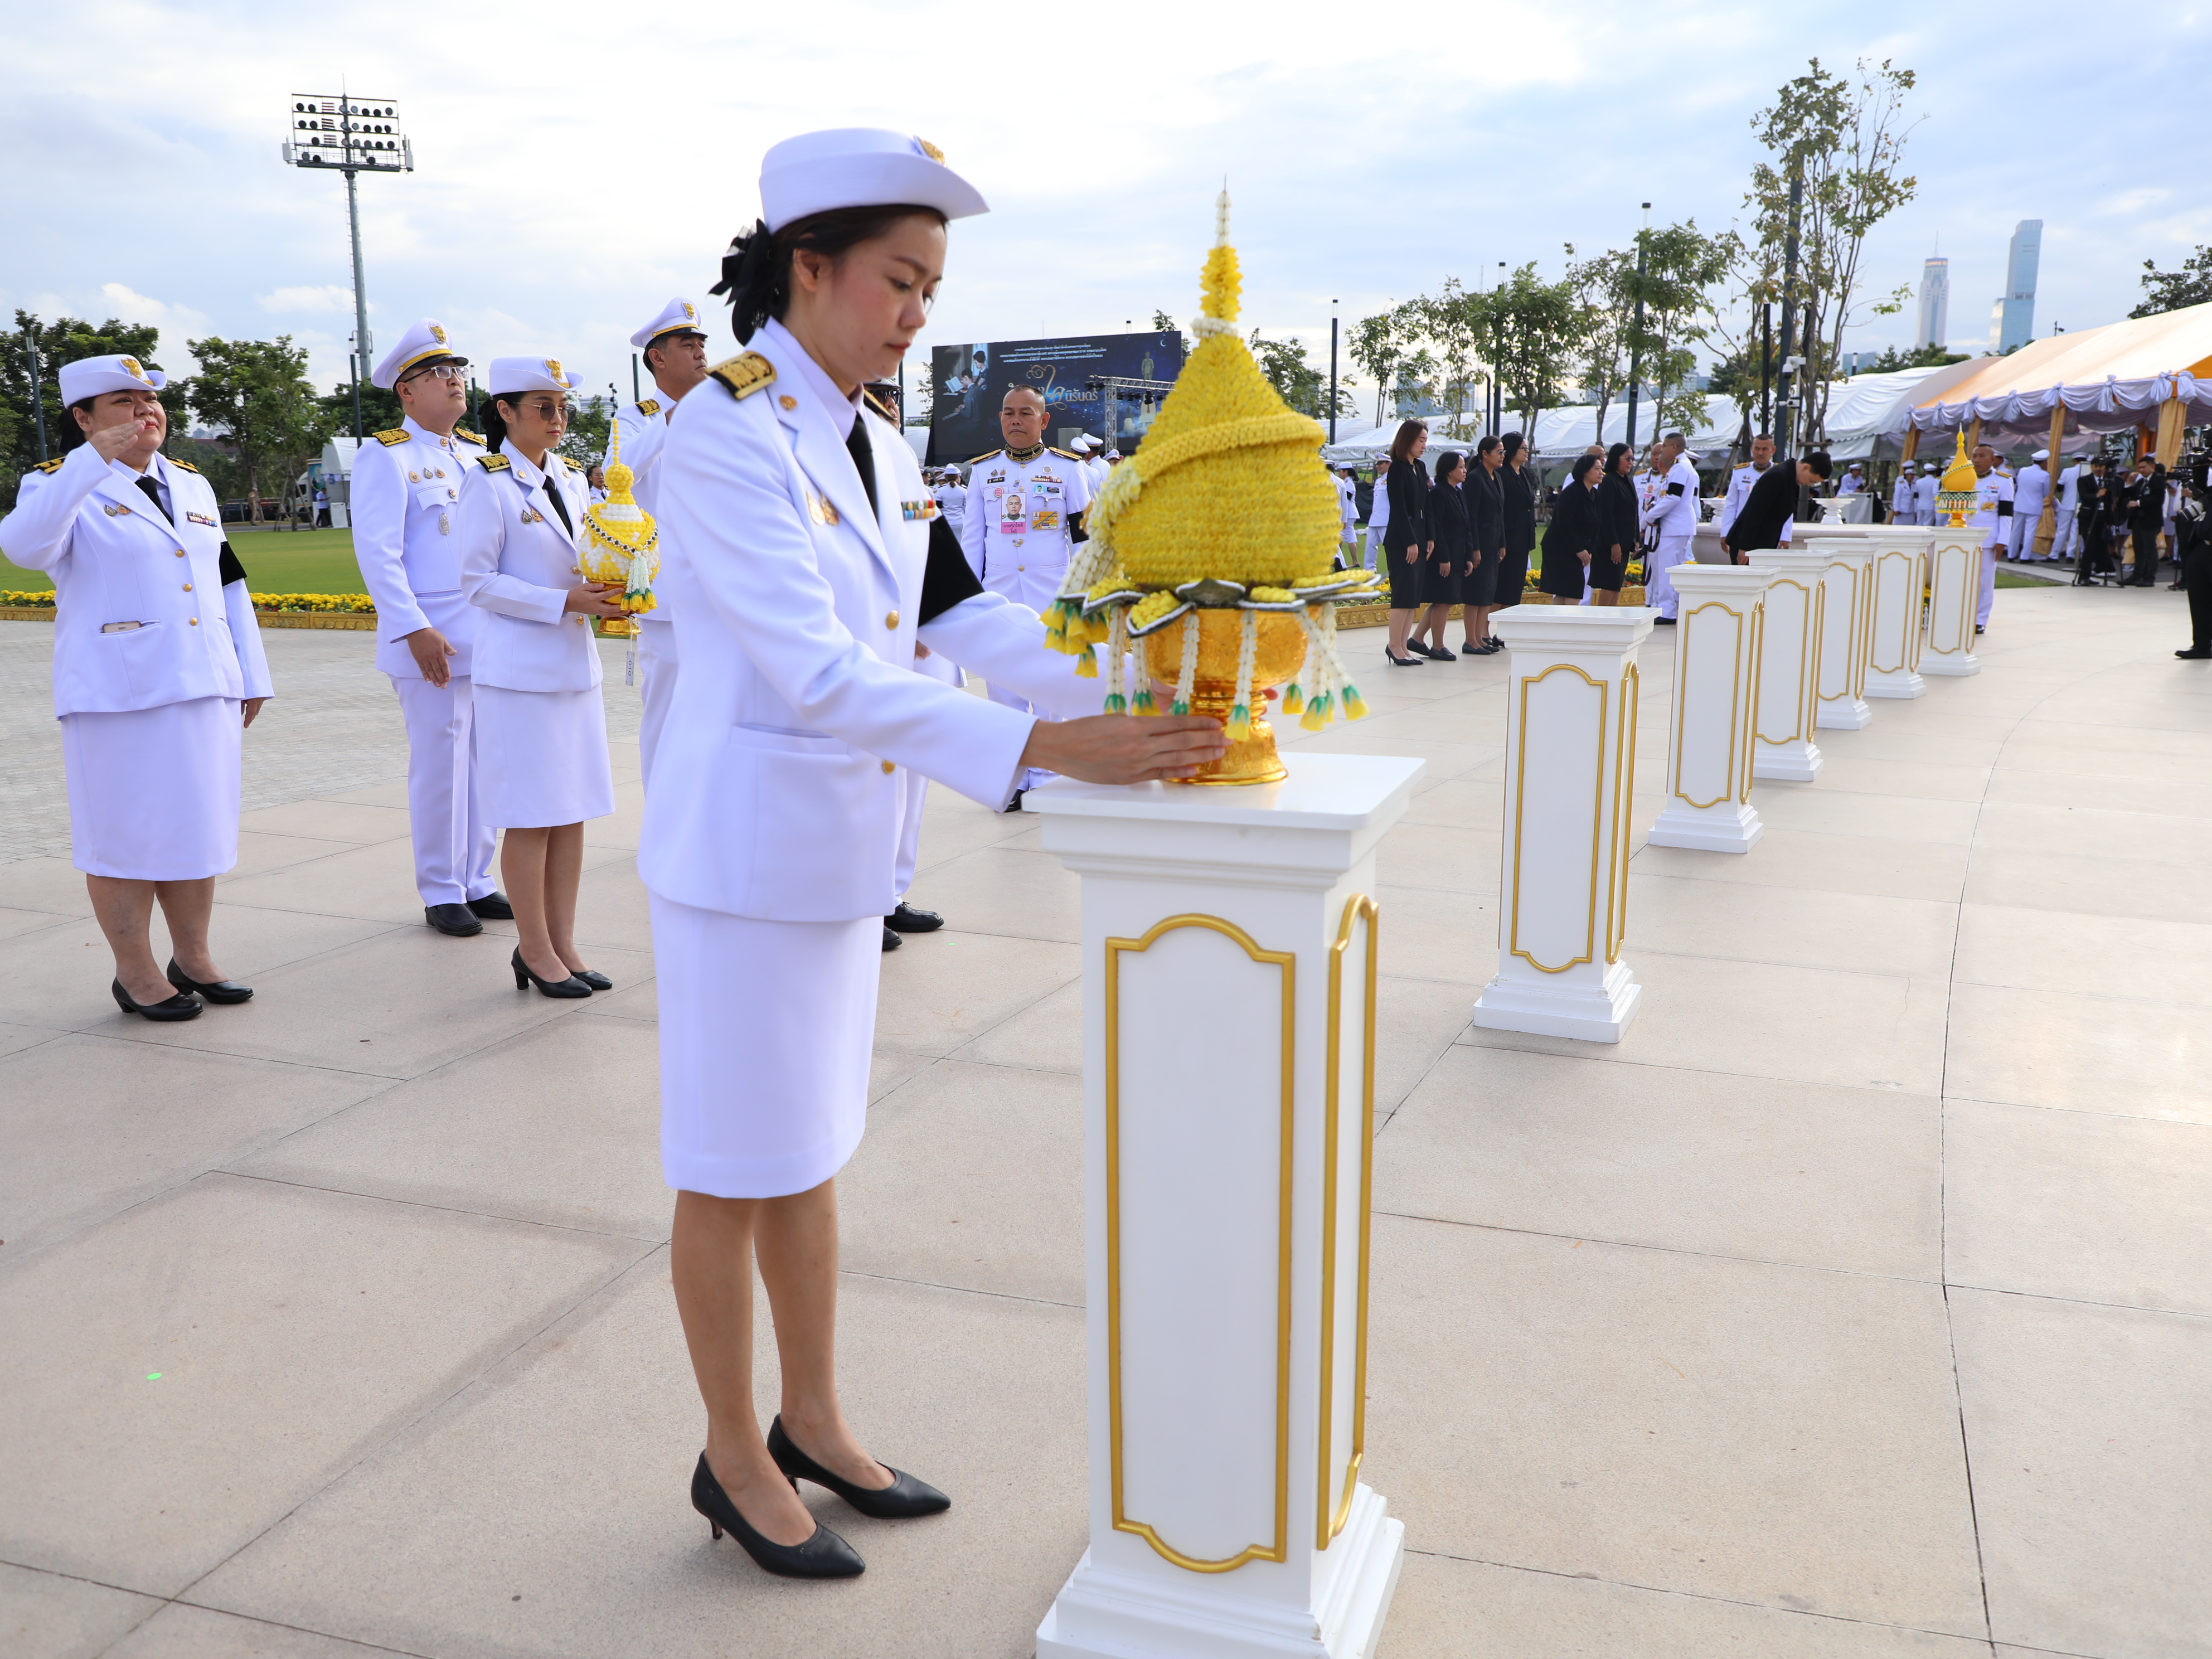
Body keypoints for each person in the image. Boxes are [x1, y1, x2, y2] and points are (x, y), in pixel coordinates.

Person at [639, 129, 1227, 1582]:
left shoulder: (882, 440)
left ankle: (816, 1418)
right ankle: (728, 1454)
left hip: (839, 855)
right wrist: (1034, 757)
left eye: (932, 289)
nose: (915, 313)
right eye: (898, 281)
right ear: (809, 267)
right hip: (738, 862)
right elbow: (813, 671)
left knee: (810, 1148)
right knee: (729, 1165)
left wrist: (1138, 698)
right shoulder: (722, 430)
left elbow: (964, 623)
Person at [0, 353, 274, 1018]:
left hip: (203, 682)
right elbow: (25, 548)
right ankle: (137, 971)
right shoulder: (57, 486)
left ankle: (194, 956)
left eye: (150, 399)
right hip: (117, 693)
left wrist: (250, 670)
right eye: (123, 402)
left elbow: (226, 582)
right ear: (83, 418)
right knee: (124, 836)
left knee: (199, 828)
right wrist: (90, 463)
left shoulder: (192, 485)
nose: (145, 411)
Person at [457, 357, 621, 998]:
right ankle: (533, 948)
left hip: (573, 668)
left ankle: (564, 941)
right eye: (543, 408)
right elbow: (477, 582)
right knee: (530, 817)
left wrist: (606, 590)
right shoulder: (488, 482)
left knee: (571, 812)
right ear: (504, 411)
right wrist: (564, 603)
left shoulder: (575, 479)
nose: (558, 420)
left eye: (562, 408)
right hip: (520, 674)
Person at [353, 319, 508, 937]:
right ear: (406, 392)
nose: (453, 381)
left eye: (456, 371)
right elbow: (379, 553)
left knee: (484, 761)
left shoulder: (476, 454)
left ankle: (478, 878)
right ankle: (442, 887)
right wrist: (412, 628)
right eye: (437, 374)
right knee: (442, 762)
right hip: (431, 642)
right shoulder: (386, 456)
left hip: (488, 636)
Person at [958, 384, 1092, 792]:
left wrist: (1083, 597)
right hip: (999, 594)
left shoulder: (1068, 469)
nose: (1015, 420)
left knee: (1052, 682)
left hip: (1051, 593)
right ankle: (1014, 778)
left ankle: (1049, 777)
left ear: (1044, 420)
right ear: (1000, 418)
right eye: (1008, 412)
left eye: (1025, 413)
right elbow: (973, 539)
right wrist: (968, 597)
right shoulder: (982, 471)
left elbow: (1084, 540)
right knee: (1004, 685)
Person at [604, 299, 712, 791]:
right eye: (686, 345)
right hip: (667, 594)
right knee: (668, 711)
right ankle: (664, 829)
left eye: (701, 344)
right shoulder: (633, 420)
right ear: (658, 358)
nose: (699, 352)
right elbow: (619, 478)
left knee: (721, 709)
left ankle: (710, 824)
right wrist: (675, 418)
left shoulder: (724, 413)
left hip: (722, 589)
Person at [1380, 419, 1432, 664]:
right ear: (1408, 440)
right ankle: (1394, 645)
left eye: (1425, 441)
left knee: (1414, 595)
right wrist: (1411, 541)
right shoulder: (1398, 468)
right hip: (1402, 540)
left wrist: (1429, 538)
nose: (1424, 446)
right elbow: (1399, 509)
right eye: (1420, 440)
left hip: (1420, 537)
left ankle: (1403, 645)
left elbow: (1426, 505)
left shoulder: (1419, 467)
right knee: (1403, 593)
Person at [1638, 430, 1700, 622]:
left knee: (1667, 570)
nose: (1662, 450)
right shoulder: (1677, 467)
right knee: (1663, 568)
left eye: (1665, 446)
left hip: (1675, 527)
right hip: (1672, 527)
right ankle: (1663, 607)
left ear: (1674, 447)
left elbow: (1673, 497)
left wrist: (1650, 517)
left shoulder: (1681, 468)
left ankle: (1667, 611)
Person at [1414, 450, 1468, 657]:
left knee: (1444, 600)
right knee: (1443, 600)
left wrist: (1469, 557)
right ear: (1448, 471)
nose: (1464, 471)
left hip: (1458, 553)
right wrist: (1444, 558)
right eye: (1461, 467)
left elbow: (1466, 526)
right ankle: (1438, 645)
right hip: (1444, 556)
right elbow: (1437, 528)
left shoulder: (1458, 492)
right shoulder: (1439, 493)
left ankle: (1417, 639)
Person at [1459, 434, 1504, 652]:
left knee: (1487, 592)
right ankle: (1471, 639)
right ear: (1485, 454)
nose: (1502, 456)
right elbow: (1471, 517)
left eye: (1504, 452)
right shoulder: (1476, 478)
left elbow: (1500, 514)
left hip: (1493, 544)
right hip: (1480, 544)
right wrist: (1474, 548)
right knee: (1476, 593)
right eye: (1499, 452)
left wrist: (1502, 543)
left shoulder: (1496, 477)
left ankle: (1480, 636)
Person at [1539, 453, 1603, 603]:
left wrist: (1590, 549)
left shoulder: (1595, 494)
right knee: (1571, 590)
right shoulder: (1572, 492)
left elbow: (1597, 524)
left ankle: (1559, 626)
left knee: (1565, 592)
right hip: (1560, 549)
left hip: (1576, 549)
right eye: (1597, 469)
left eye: (1602, 468)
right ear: (1585, 472)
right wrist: (1579, 550)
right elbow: (1564, 523)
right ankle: (1565, 625)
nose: (1601, 472)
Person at [1965, 443, 2014, 631]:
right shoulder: (1964, 477)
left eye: (1982, 456)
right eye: (1974, 456)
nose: (1976, 460)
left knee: (1984, 581)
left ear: (1993, 460)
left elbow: (2006, 514)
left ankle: (1980, 620)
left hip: (1988, 539)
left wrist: (2003, 540)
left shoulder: (2003, 481)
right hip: (1963, 536)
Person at [1494, 431, 1535, 620]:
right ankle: (1485, 631)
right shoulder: (1502, 474)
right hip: (1509, 538)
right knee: (1502, 588)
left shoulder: (1525, 473)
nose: (1527, 452)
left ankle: (1503, 632)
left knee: (1514, 589)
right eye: (1523, 448)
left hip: (1523, 538)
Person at [1590, 441, 1637, 607]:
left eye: (1632, 458)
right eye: (1627, 458)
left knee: (1617, 585)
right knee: (1609, 585)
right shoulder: (1609, 481)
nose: (1631, 462)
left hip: (1625, 542)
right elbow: (1606, 514)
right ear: (1616, 459)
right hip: (1610, 544)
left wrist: (1636, 539)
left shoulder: (1628, 481)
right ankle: (1601, 619)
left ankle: (1612, 617)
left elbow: (1634, 511)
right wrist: (1614, 543)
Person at [1720, 433, 1777, 555]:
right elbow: (1731, 504)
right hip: (1741, 529)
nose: (1760, 453)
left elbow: (1785, 508)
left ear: (1773, 450)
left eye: (1765, 449)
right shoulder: (1740, 472)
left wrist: (1785, 537)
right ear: (1752, 449)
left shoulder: (1779, 473)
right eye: (1757, 449)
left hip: (1768, 531)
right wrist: (1726, 532)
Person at [2176, 483, 2211, 657]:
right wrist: (2200, 466)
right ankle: (2201, 645)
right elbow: (2200, 484)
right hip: (2202, 547)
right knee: (2198, 597)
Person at [2122, 454, 2168, 586]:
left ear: (2152, 466)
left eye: (2144, 467)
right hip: (2138, 519)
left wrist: (2139, 503)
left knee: (2150, 549)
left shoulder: (2159, 480)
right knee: (2138, 549)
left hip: (2151, 520)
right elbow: (2127, 494)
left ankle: (2150, 577)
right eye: (2140, 468)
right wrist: (2129, 483)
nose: (2141, 470)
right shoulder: (2141, 482)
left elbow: (2158, 499)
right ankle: (2137, 575)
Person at [2011, 449, 2053, 562]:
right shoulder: (2045, 475)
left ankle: (2011, 554)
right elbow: (2046, 493)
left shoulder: (2023, 471)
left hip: (2019, 504)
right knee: (2030, 532)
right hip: (2034, 506)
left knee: (2016, 530)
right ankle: (2024, 557)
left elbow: (2019, 485)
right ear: (2044, 463)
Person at [2051, 456, 2084, 562]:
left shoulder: (2067, 471)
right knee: (2075, 531)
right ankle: (2071, 555)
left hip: (2067, 504)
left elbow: (2059, 488)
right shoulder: (2088, 472)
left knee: (2062, 531)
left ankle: (2054, 555)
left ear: (2075, 461)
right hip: (2080, 506)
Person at [1364, 457, 1390, 573]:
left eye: (1381, 463)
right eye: (1377, 464)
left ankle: (1394, 571)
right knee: (1370, 547)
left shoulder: (1393, 478)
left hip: (1386, 520)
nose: (1378, 466)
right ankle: (1369, 572)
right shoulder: (1379, 481)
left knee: (1390, 549)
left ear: (1389, 464)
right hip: (1375, 520)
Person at [1334, 463, 1359, 567]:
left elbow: (1346, 498)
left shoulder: (1348, 483)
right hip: (1348, 512)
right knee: (1342, 537)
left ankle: (1354, 561)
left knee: (1349, 537)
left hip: (1349, 513)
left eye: (1341, 471)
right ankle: (1337, 559)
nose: (1339, 473)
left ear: (1346, 472)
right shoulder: (1346, 482)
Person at [1890, 463, 1916, 529]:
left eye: (1913, 475)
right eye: (1910, 475)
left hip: (1910, 510)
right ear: (1906, 475)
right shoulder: (1901, 484)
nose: (1912, 477)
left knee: (1910, 528)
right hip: (1901, 510)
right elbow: (1897, 497)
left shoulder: (1914, 485)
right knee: (1898, 527)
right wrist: (1896, 509)